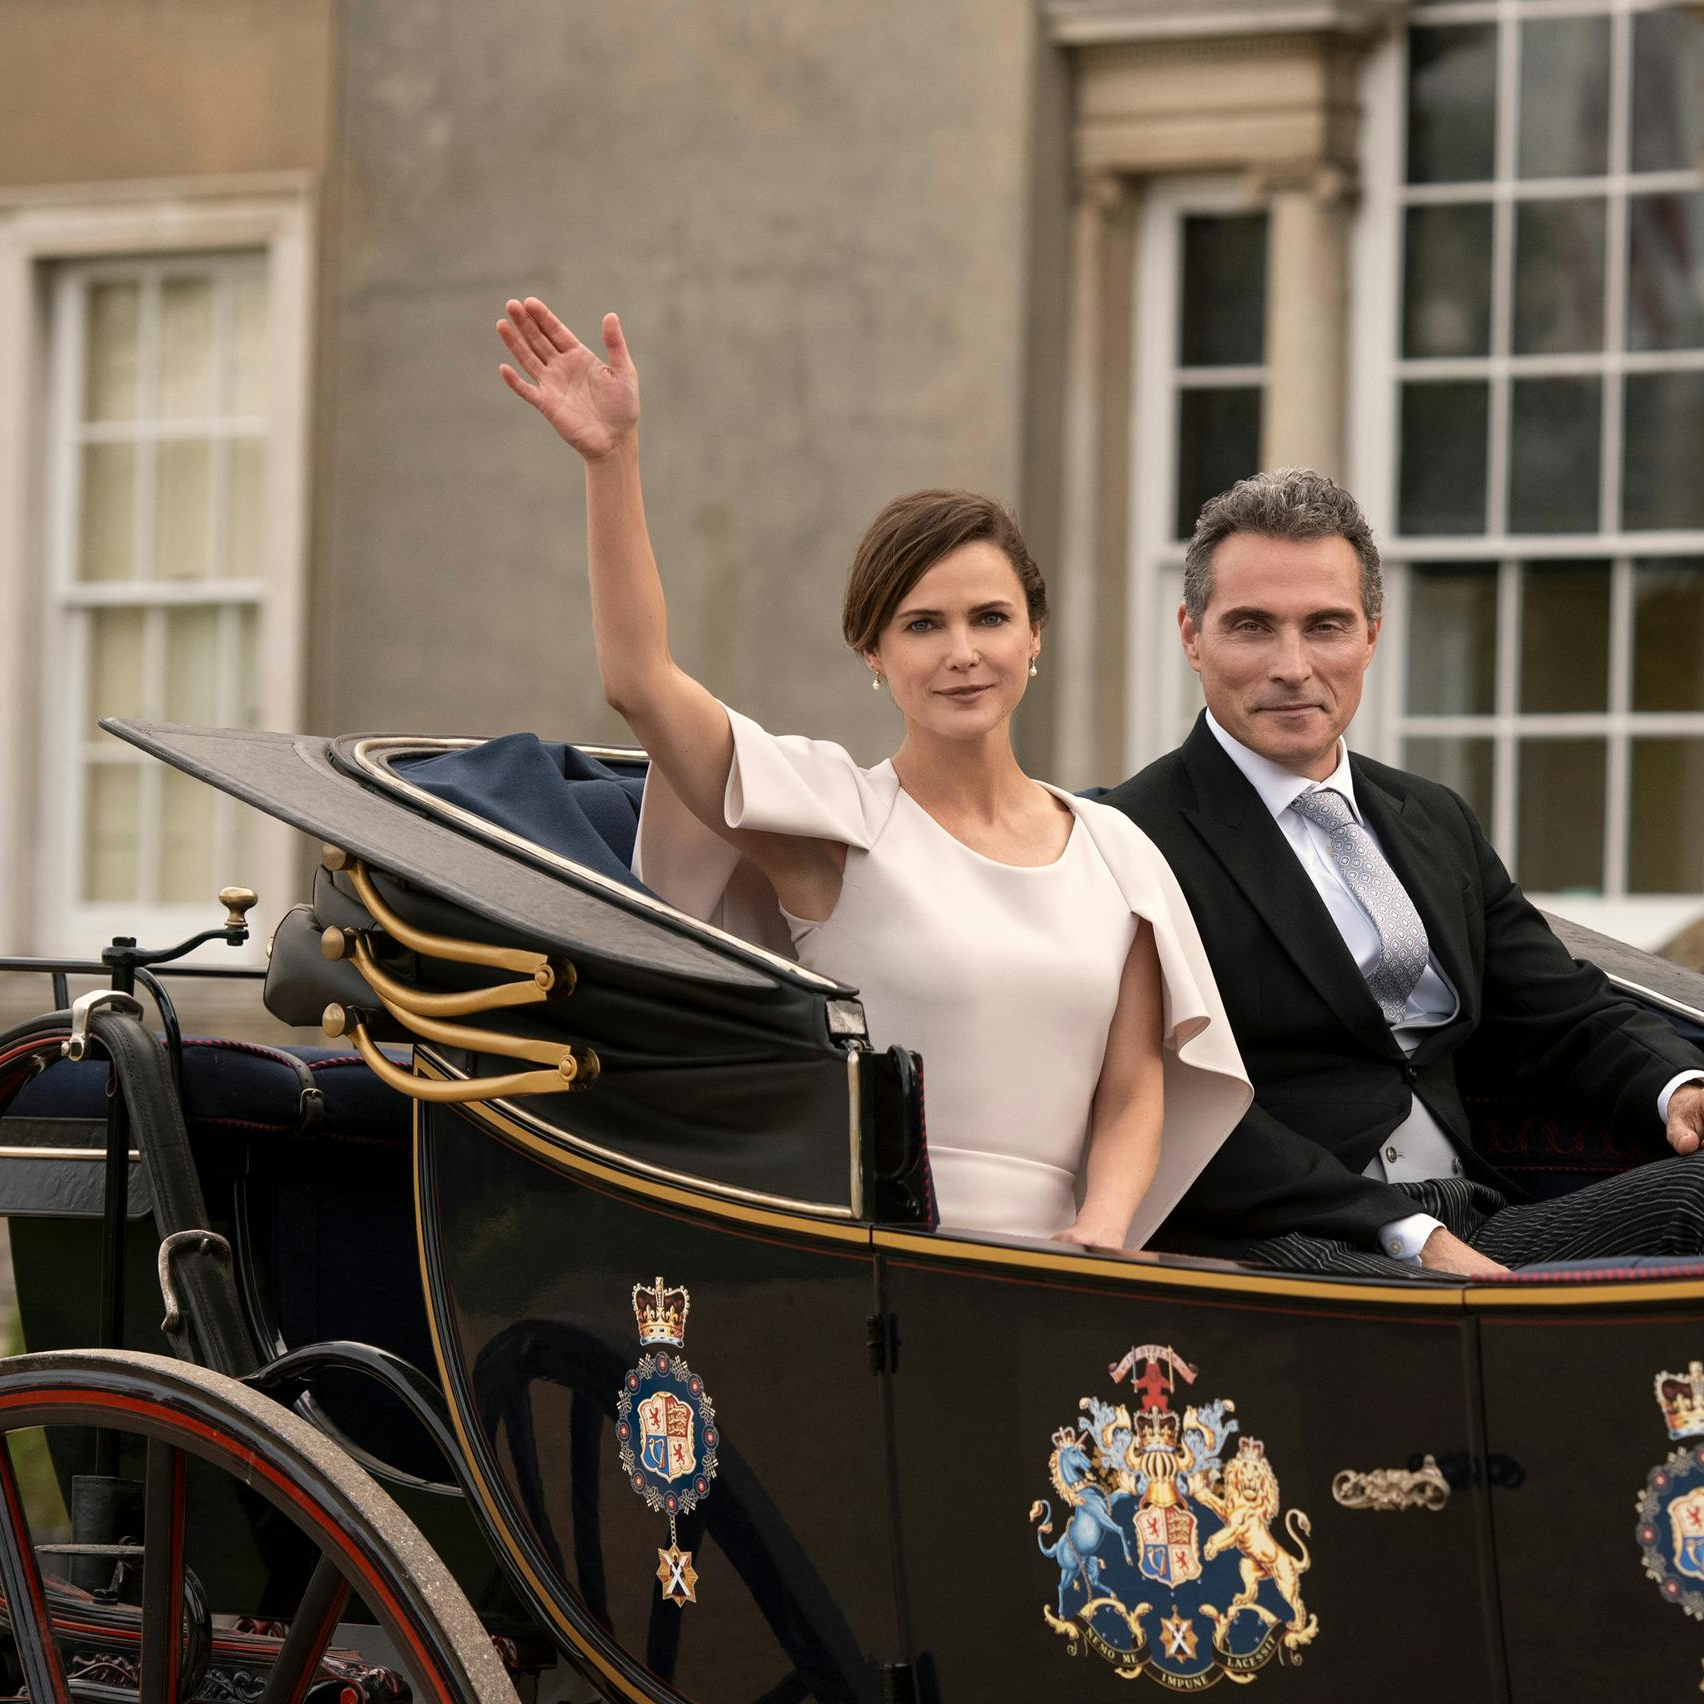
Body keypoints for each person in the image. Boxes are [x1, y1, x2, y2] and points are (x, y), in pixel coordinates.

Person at [496, 296, 1248, 1249]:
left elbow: (1138, 1086)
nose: (962, 652)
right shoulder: (830, 821)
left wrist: (1097, 1243)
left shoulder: (1118, 854)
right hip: (869, 1260)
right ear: (873, 652)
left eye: (990, 618)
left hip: (1070, 1275)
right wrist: (613, 461)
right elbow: (640, 684)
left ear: (1035, 638)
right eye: (922, 625)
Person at [1103, 469, 1704, 1278]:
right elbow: (1175, 1102)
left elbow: (1559, 1012)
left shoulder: (1431, 817)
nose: (1293, 665)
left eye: (1326, 626)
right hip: (1285, 1240)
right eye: (1253, 627)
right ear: (1193, 636)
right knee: (1444, 1324)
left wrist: (1682, 1089)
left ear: (1372, 633)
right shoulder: (1127, 837)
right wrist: (1407, 1236)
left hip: (1473, 1213)